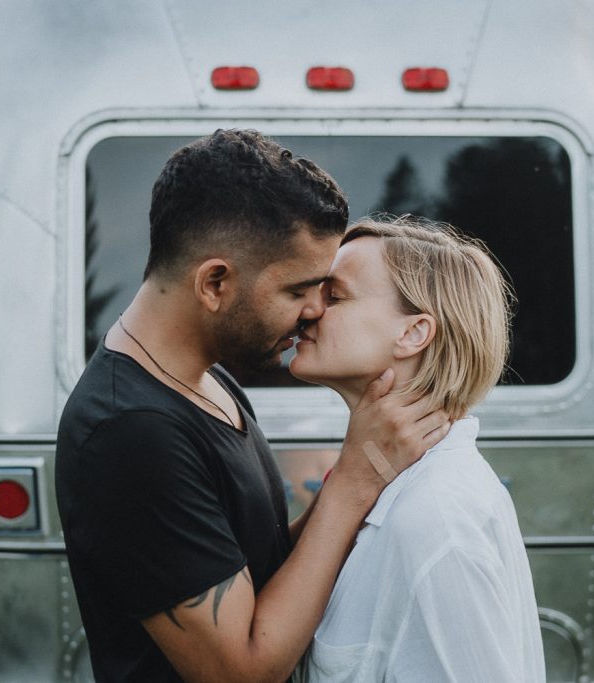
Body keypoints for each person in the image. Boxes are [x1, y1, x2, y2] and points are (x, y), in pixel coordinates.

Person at [55, 130, 450, 683]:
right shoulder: (131, 430)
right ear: (215, 283)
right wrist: (354, 480)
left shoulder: (208, 378)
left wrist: (367, 467)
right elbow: (241, 671)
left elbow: (253, 571)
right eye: (297, 291)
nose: (315, 310)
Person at [290, 215, 546, 682]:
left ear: (412, 334)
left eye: (334, 295)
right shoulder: (390, 485)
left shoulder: (435, 519)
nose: (308, 309)